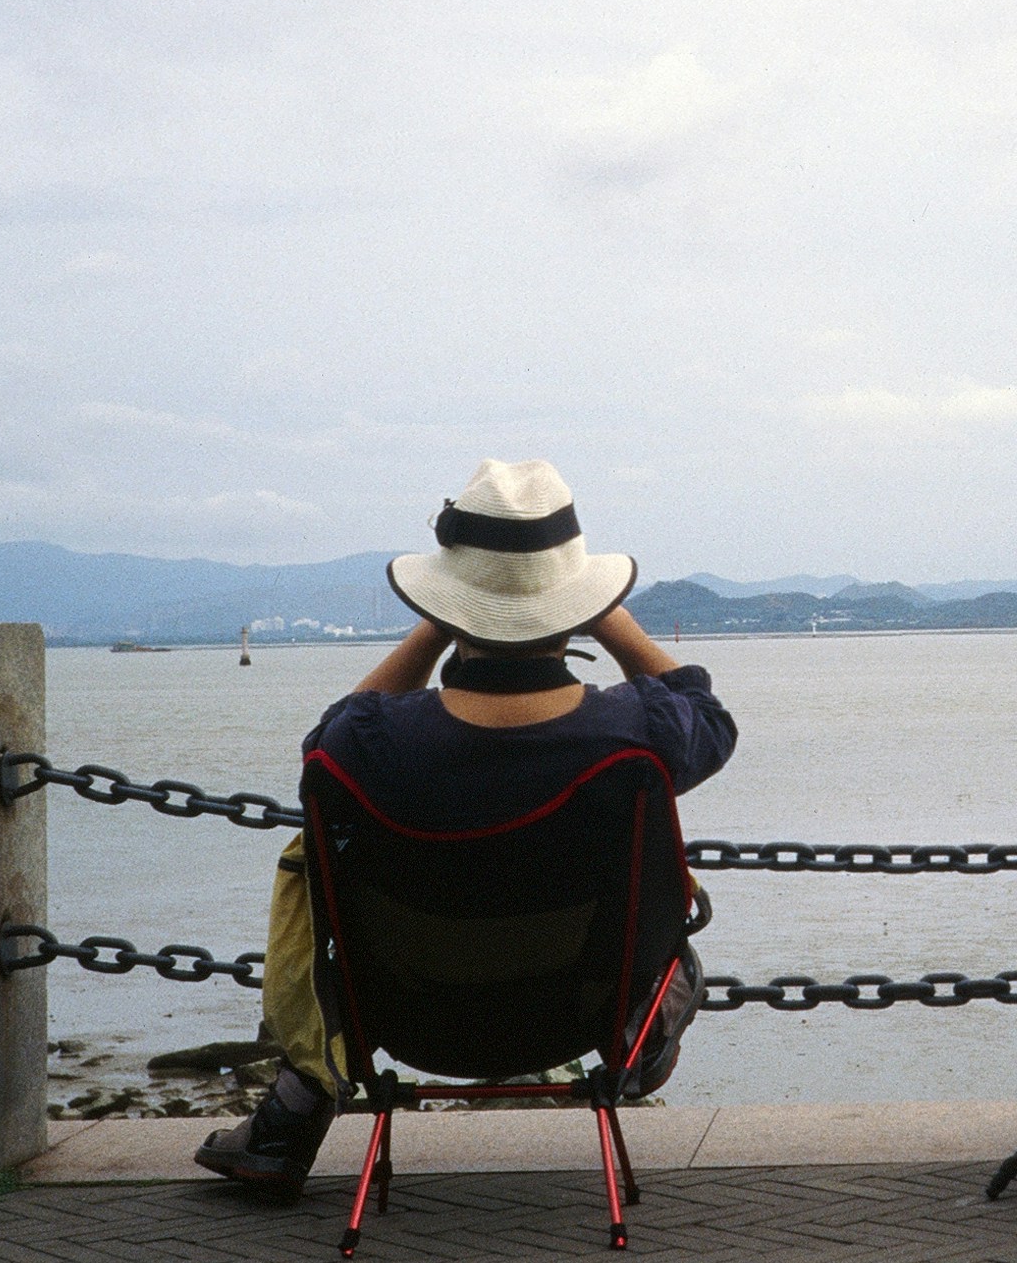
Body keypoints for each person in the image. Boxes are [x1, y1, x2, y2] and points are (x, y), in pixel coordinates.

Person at [197, 458, 737, 1195]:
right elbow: (710, 717)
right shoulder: (631, 734)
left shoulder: (373, 744)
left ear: (452, 609)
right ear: (573, 604)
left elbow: (319, 751)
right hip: (581, 1016)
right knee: (679, 927)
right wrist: (606, 613)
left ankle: (289, 1121)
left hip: (408, 1016)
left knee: (324, 879)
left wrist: (436, 625)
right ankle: (643, 1052)